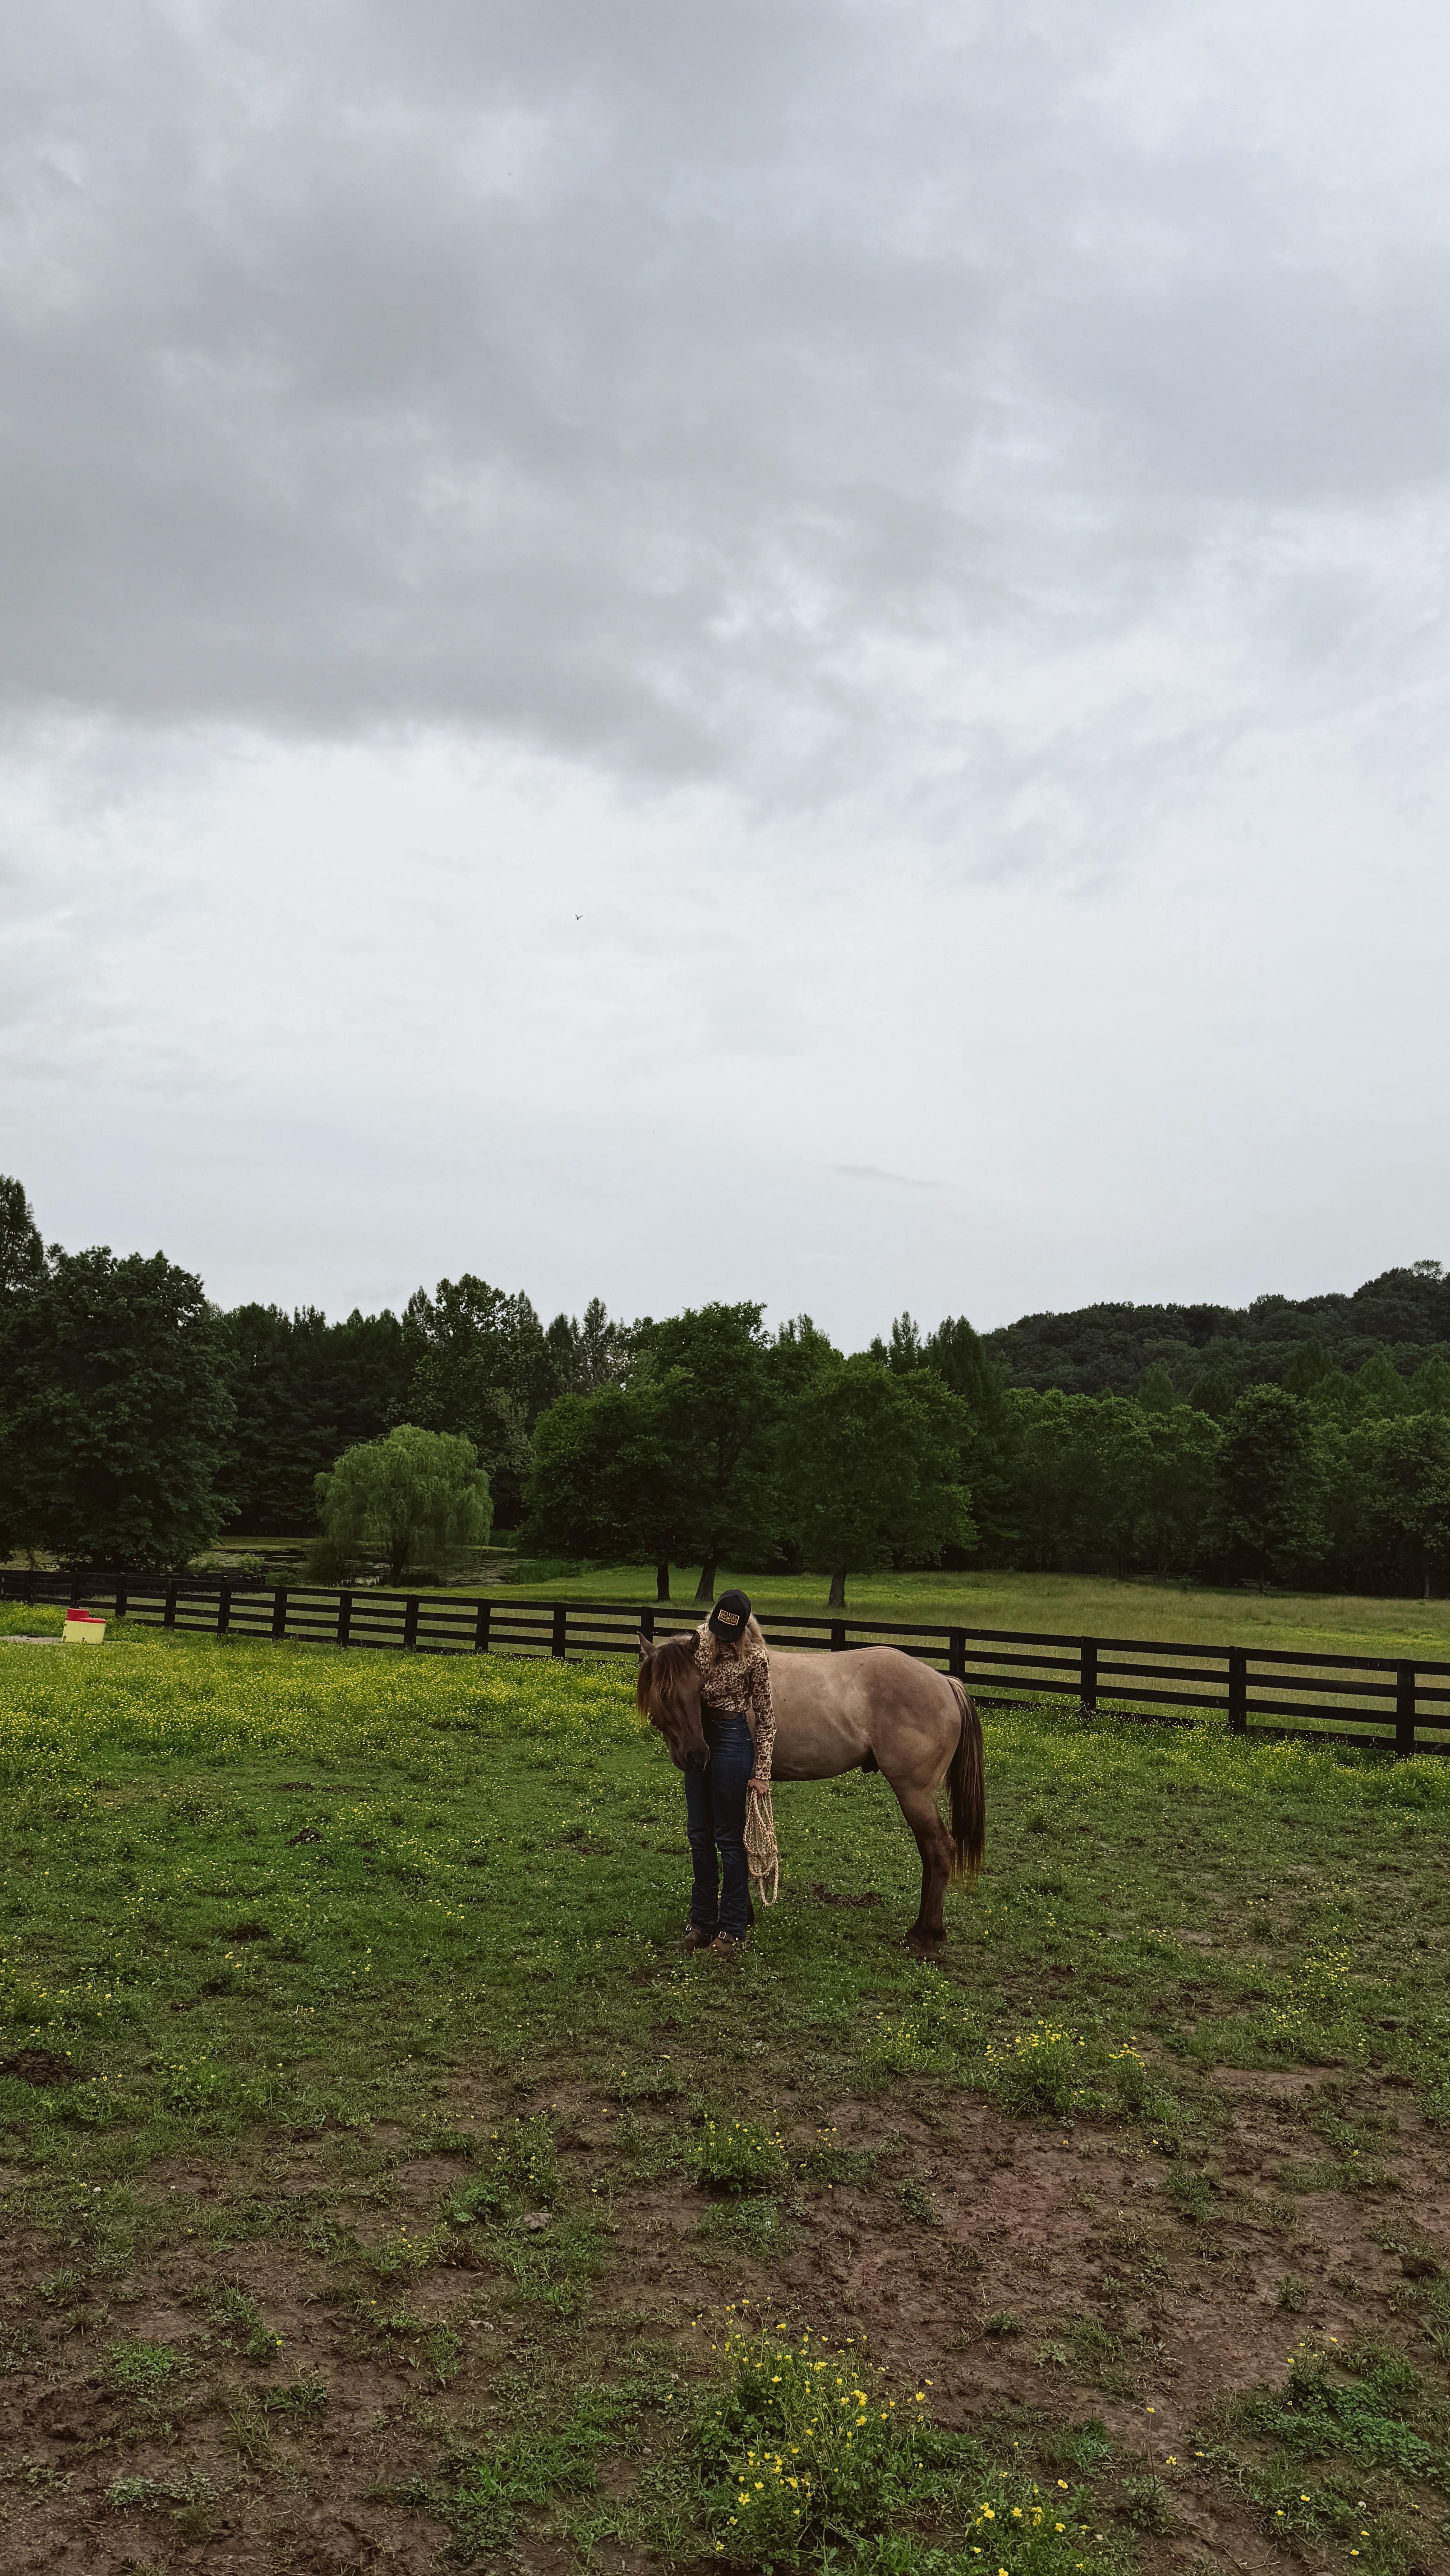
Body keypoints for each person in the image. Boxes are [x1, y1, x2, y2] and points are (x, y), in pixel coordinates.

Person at [682, 1587, 774, 1956]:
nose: (721, 1636)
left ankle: (733, 1928)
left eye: (729, 1632)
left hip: (733, 1739)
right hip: (699, 1736)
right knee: (699, 1835)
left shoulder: (756, 1658)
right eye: (718, 1627)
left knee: (731, 1839)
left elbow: (767, 1721)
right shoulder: (697, 1642)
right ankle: (701, 1923)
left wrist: (763, 1771)